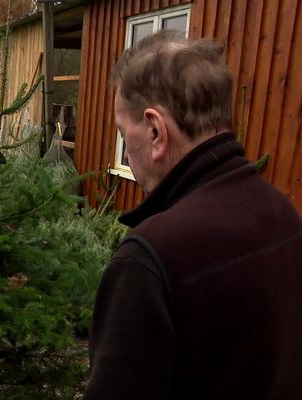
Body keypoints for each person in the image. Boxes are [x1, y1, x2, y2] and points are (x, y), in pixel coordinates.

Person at [84, 30, 302, 399]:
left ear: (155, 131)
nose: (126, 151)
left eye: (123, 132)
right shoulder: (282, 213)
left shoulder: (150, 258)